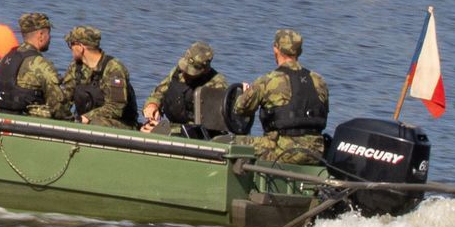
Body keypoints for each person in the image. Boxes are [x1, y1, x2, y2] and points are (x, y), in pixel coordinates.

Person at [230, 29, 331, 165]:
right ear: (299, 52)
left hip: (281, 152)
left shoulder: (268, 81)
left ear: (276, 49)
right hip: (315, 153)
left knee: (225, 142)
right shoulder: (320, 81)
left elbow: (239, 109)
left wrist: (245, 93)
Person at [0, 12, 71, 118]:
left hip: (0, 114)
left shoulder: (6, 57)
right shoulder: (41, 64)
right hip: (26, 121)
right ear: (40, 35)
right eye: (48, 33)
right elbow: (58, 106)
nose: (50, 38)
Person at [139, 42, 230, 135]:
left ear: (205, 70)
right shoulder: (178, 73)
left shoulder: (216, 86)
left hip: (196, 135)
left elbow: (205, 128)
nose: (186, 73)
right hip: (173, 126)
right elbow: (160, 91)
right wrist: (153, 104)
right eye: (185, 68)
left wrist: (165, 130)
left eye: (191, 71)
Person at [62, 25, 137, 128]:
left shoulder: (114, 69)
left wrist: (87, 117)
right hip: (84, 121)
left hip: (119, 124)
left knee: (96, 123)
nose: (70, 48)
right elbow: (65, 98)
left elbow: (116, 107)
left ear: (80, 47)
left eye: (71, 44)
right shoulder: (75, 67)